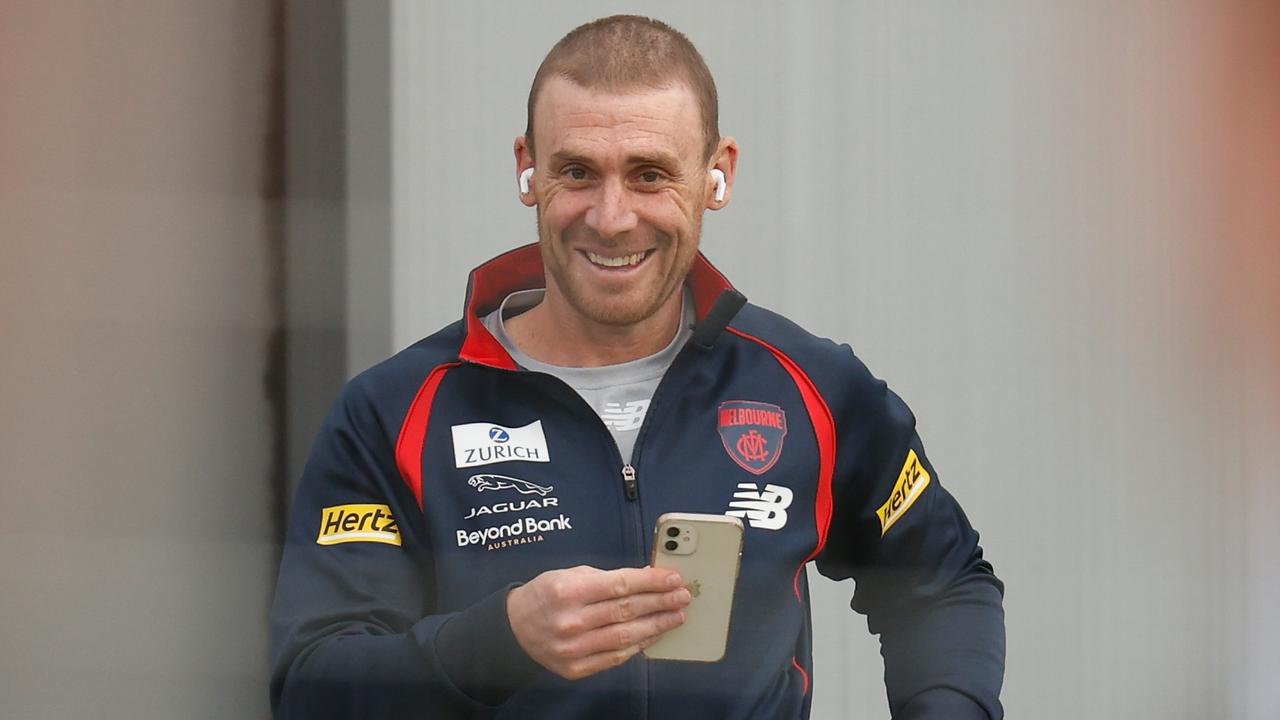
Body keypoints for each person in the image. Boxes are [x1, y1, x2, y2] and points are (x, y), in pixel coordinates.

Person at [270, 14, 1005, 720]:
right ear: (528, 169)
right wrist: (498, 643)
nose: (612, 216)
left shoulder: (809, 387)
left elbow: (942, 584)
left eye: (650, 174)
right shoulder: (394, 412)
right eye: (578, 172)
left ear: (717, 174)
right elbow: (310, 686)